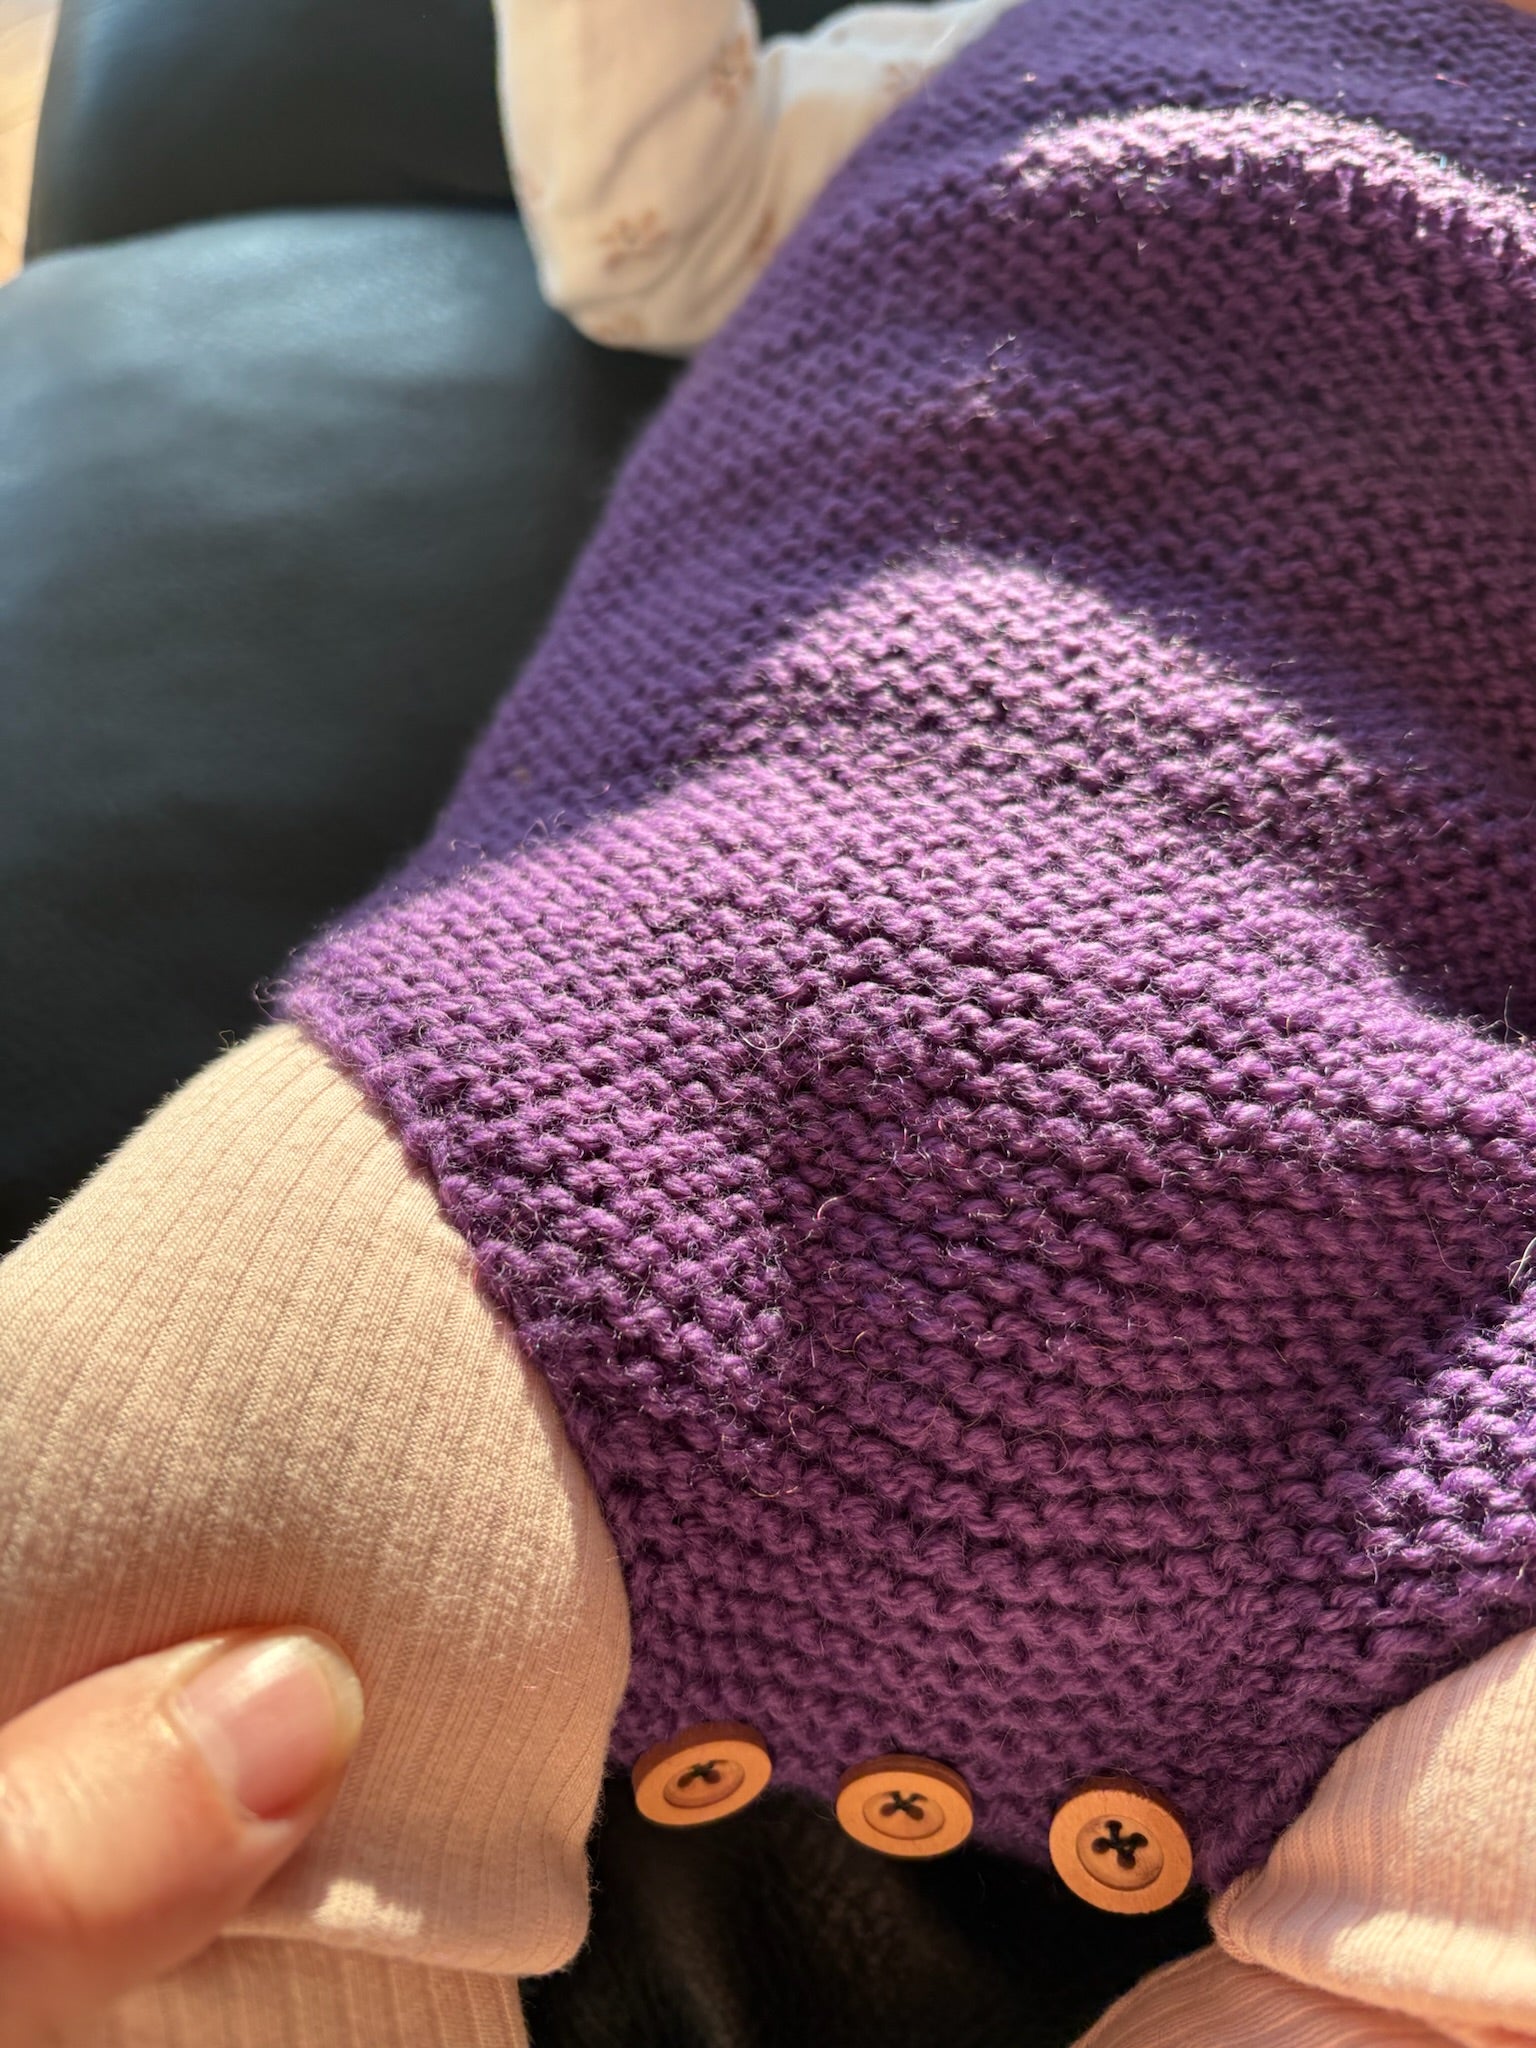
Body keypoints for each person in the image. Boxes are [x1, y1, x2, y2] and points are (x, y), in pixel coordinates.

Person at [5, 0, 1536, 2040]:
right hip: (630, 1046)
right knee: (98, 1521)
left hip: (1425, 1214)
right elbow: (644, 223)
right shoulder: (976, 52)